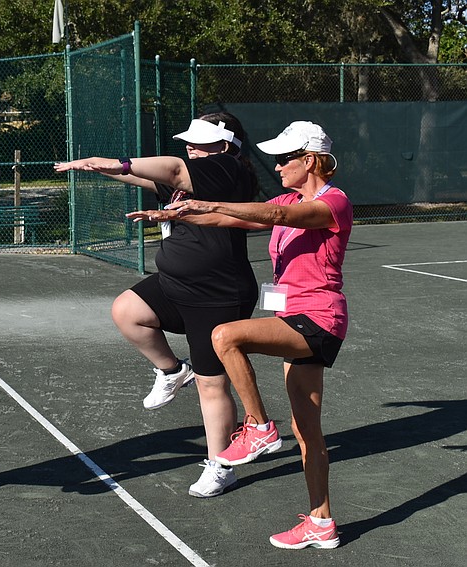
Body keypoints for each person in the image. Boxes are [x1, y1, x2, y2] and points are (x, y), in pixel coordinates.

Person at [127, 121, 351, 550]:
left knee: (225, 336)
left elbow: (275, 215)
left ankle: (258, 427)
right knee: (307, 432)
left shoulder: (332, 203)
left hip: (319, 318)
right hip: (293, 314)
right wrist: (180, 211)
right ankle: (321, 521)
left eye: (286, 158)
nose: (278, 164)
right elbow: (237, 218)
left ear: (310, 160)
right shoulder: (289, 196)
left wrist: (207, 201)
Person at [54, 112, 260, 498]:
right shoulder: (191, 175)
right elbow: (145, 176)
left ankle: (221, 465)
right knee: (127, 311)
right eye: (190, 142)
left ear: (225, 145)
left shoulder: (227, 170)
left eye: (198, 142)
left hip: (216, 294)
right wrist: (98, 166)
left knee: (212, 385)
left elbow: (173, 168)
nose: (190, 147)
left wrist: (119, 163)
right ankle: (171, 370)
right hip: (175, 284)